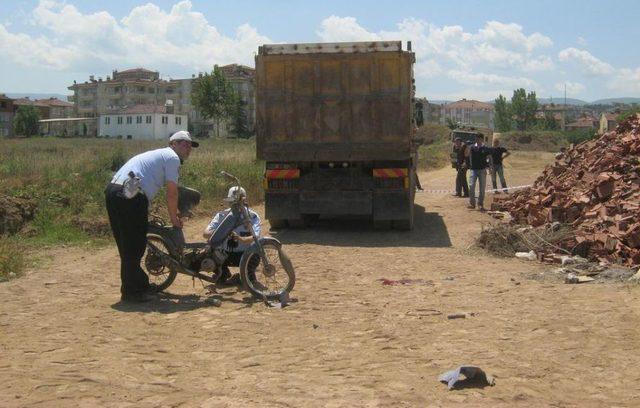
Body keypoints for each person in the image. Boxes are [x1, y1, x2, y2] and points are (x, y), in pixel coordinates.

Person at [105, 130, 198, 302]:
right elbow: (172, 193)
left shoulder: (158, 154)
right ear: (173, 144)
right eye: (183, 143)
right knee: (134, 246)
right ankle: (133, 292)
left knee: (128, 245)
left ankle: (138, 286)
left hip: (115, 190)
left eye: (190, 145)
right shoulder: (172, 157)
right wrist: (174, 219)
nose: (188, 148)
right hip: (130, 195)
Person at [203, 186, 261, 285]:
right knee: (209, 248)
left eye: (239, 202)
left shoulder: (252, 216)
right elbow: (206, 234)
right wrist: (223, 232)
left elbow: (255, 237)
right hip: (225, 255)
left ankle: (248, 275)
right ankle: (223, 274)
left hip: (246, 255)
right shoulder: (221, 216)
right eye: (233, 202)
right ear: (229, 202)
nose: (237, 205)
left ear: (244, 201)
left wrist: (240, 239)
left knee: (256, 252)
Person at [465, 133, 493, 211]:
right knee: (471, 186)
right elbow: (466, 155)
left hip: (482, 170)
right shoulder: (472, 147)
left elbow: (489, 158)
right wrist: (467, 148)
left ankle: (480, 204)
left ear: (482, 139)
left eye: (478, 138)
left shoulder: (486, 148)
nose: (476, 140)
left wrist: (490, 167)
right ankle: (472, 203)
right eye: (476, 138)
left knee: (482, 188)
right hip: (473, 170)